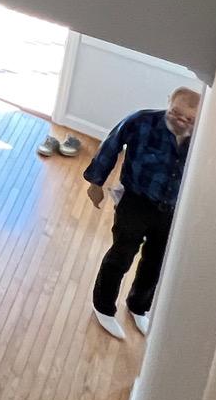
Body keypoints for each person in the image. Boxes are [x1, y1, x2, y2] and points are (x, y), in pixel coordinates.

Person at [83, 87, 200, 340]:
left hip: (171, 209)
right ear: (168, 101)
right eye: (176, 112)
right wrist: (96, 183)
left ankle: (139, 306)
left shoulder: (202, 140)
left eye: (189, 119)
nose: (181, 120)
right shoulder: (141, 121)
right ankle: (103, 306)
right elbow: (111, 146)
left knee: (156, 262)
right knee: (122, 254)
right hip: (135, 201)